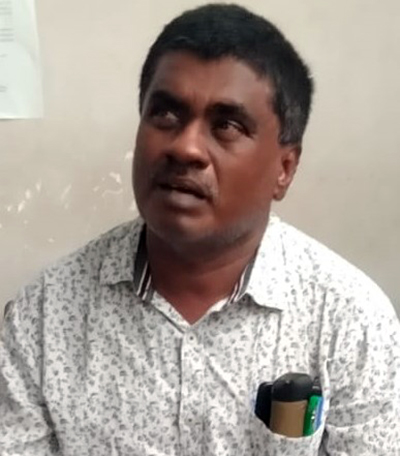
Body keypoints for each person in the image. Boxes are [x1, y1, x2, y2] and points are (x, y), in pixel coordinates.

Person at [1, 3, 399, 455]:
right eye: (166, 115)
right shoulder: (44, 316)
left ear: (284, 168)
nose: (186, 147)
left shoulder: (351, 321)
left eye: (226, 125)